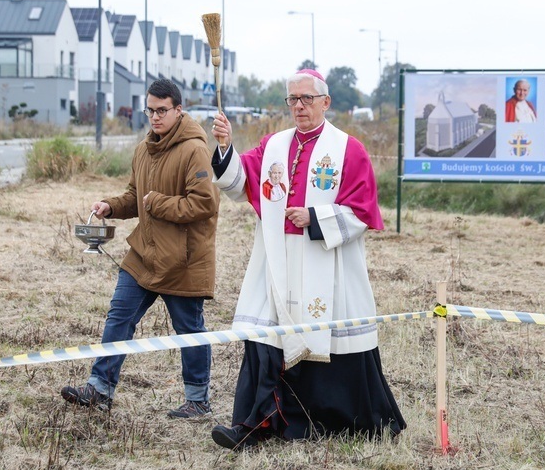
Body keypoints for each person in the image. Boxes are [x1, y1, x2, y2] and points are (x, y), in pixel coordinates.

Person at [207, 68, 405, 449]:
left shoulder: (349, 148)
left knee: (324, 341)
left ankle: (330, 425)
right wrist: (224, 147)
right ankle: (257, 425)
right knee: (263, 333)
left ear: (325, 102)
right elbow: (239, 181)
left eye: (307, 99)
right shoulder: (274, 146)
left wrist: (315, 217)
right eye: (293, 99)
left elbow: (363, 213)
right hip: (277, 259)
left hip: (324, 262)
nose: (299, 106)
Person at [61, 79, 219, 417]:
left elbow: (205, 203)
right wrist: (110, 206)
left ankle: (198, 400)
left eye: (163, 110)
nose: (155, 117)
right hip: (144, 255)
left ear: (179, 110)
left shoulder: (195, 149)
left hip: (183, 260)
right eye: (151, 110)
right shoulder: (143, 149)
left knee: (189, 332)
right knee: (119, 316)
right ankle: (100, 388)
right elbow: (136, 197)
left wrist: (158, 204)